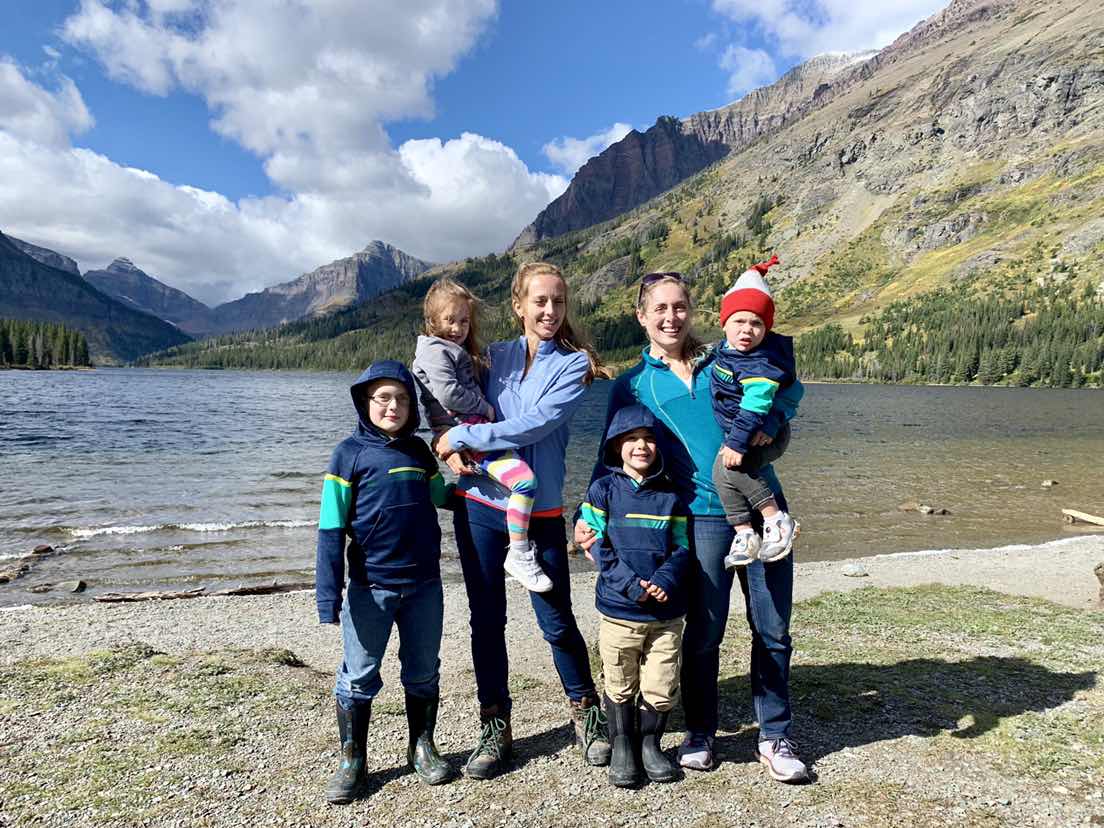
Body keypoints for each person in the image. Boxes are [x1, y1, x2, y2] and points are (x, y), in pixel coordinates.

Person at [574, 271, 809, 783]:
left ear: (693, 311)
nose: (671, 317)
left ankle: (774, 735)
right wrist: (586, 517)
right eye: (659, 308)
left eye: (679, 307)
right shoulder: (632, 385)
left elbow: (787, 392)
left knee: (773, 629)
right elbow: (609, 456)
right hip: (699, 519)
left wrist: (770, 426)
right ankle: (701, 732)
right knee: (704, 633)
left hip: (761, 504)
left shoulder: (726, 358)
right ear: (641, 316)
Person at [434, 261, 611, 780]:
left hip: (541, 509)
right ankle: (494, 725)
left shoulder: (574, 365)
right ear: (519, 305)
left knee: (556, 618)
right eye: (540, 301)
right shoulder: (492, 357)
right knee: (486, 621)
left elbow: (536, 424)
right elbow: (450, 402)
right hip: (480, 505)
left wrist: (463, 438)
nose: (550, 311)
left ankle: (587, 711)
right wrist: (445, 443)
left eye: (558, 301)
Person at [315, 360, 454, 804]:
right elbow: (331, 529)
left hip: (425, 586)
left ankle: (422, 747)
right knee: (358, 677)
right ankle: (352, 759)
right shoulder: (348, 455)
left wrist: (491, 494)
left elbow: (442, 495)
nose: (393, 406)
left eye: (402, 399)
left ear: (412, 407)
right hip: (370, 587)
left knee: (423, 671)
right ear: (365, 402)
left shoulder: (419, 452)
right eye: (383, 398)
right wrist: (327, 594)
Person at [412, 277, 552, 593]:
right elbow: (448, 394)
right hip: (471, 432)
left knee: (515, 483)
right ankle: (519, 552)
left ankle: (465, 504)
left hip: (469, 433)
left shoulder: (452, 350)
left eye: (464, 321)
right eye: (449, 320)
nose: (457, 328)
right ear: (432, 321)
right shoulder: (434, 352)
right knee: (525, 482)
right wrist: (484, 409)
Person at [580, 404, 691, 787]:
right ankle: (623, 744)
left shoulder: (672, 496)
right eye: (631, 439)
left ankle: (649, 744)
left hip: (665, 614)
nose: (641, 446)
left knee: (661, 681)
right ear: (616, 446)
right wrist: (630, 585)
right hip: (619, 610)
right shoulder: (603, 490)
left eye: (648, 439)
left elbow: (682, 547)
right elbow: (596, 546)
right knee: (619, 679)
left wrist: (666, 580)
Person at [710, 255, 802, 568]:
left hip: (763, 431)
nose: (747, 330)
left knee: (733, 466)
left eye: (757, 323)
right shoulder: (727, 351)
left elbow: (754, 406)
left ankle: (776, 520)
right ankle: (745, 534)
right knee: (721, 472)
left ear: (766, 329)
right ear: (724, 323)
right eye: (739, 321)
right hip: (745, 430)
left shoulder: (760, 363)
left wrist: (737, 443)